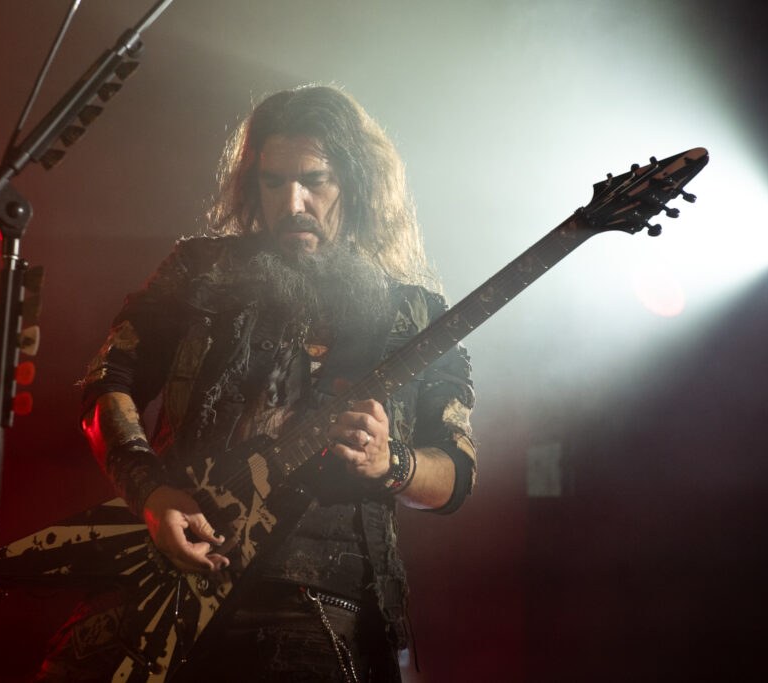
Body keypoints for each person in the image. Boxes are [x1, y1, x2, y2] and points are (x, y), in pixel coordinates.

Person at [37, 85, 477, 682]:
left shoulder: (417, 314)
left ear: (356, 183)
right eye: (274, 182)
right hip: (166, 583)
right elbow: (106, 381)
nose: (292, 201)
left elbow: (454, 470)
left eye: (314, 181)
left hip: (316, 609)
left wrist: (391, 462)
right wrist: (152, 494)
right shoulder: (199, 272)